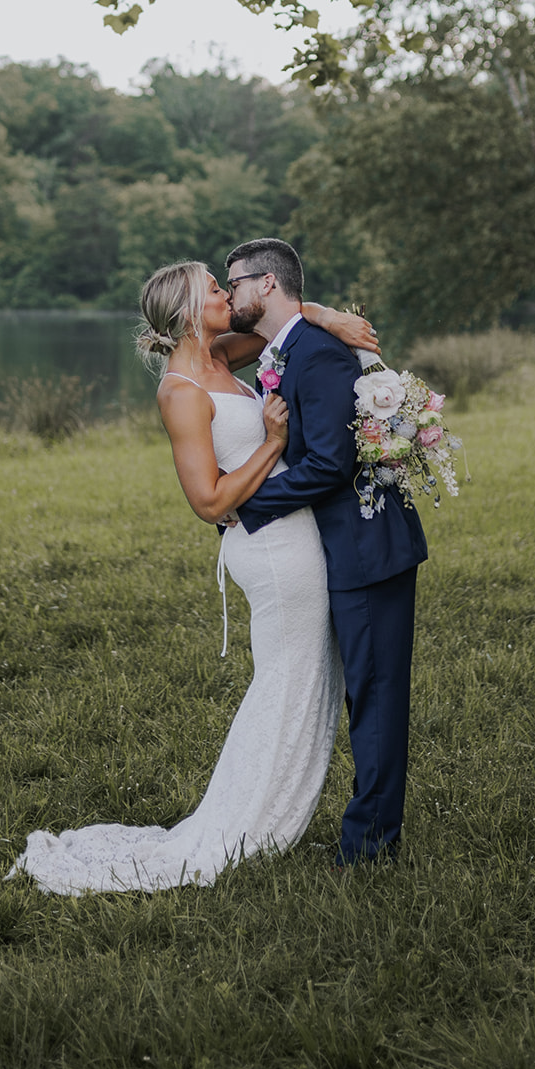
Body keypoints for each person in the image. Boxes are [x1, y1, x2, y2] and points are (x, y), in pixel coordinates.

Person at [6, 259, 376, 894]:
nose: (225, 296)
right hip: (267, 549)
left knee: (306, 672)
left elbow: (279, 326)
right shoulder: (181, 389)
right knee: (288, 676)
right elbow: (208, 502)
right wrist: (270, 441)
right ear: (186, 310)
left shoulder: (222, 356)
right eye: (213, 289)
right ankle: (246, 826)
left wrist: (326, 315)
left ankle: (268, 812)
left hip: (290, 532)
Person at [229, 237, 427, 866]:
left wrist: (247, 504)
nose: (229, 294)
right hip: (346, 548)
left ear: (264, 285)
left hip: (368, 548)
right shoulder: (290, 346)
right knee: (363, 693)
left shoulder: (314, 357)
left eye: (233, 282)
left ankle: (370, 848)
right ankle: (369, 831)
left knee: (374, 697)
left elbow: (330, 466)